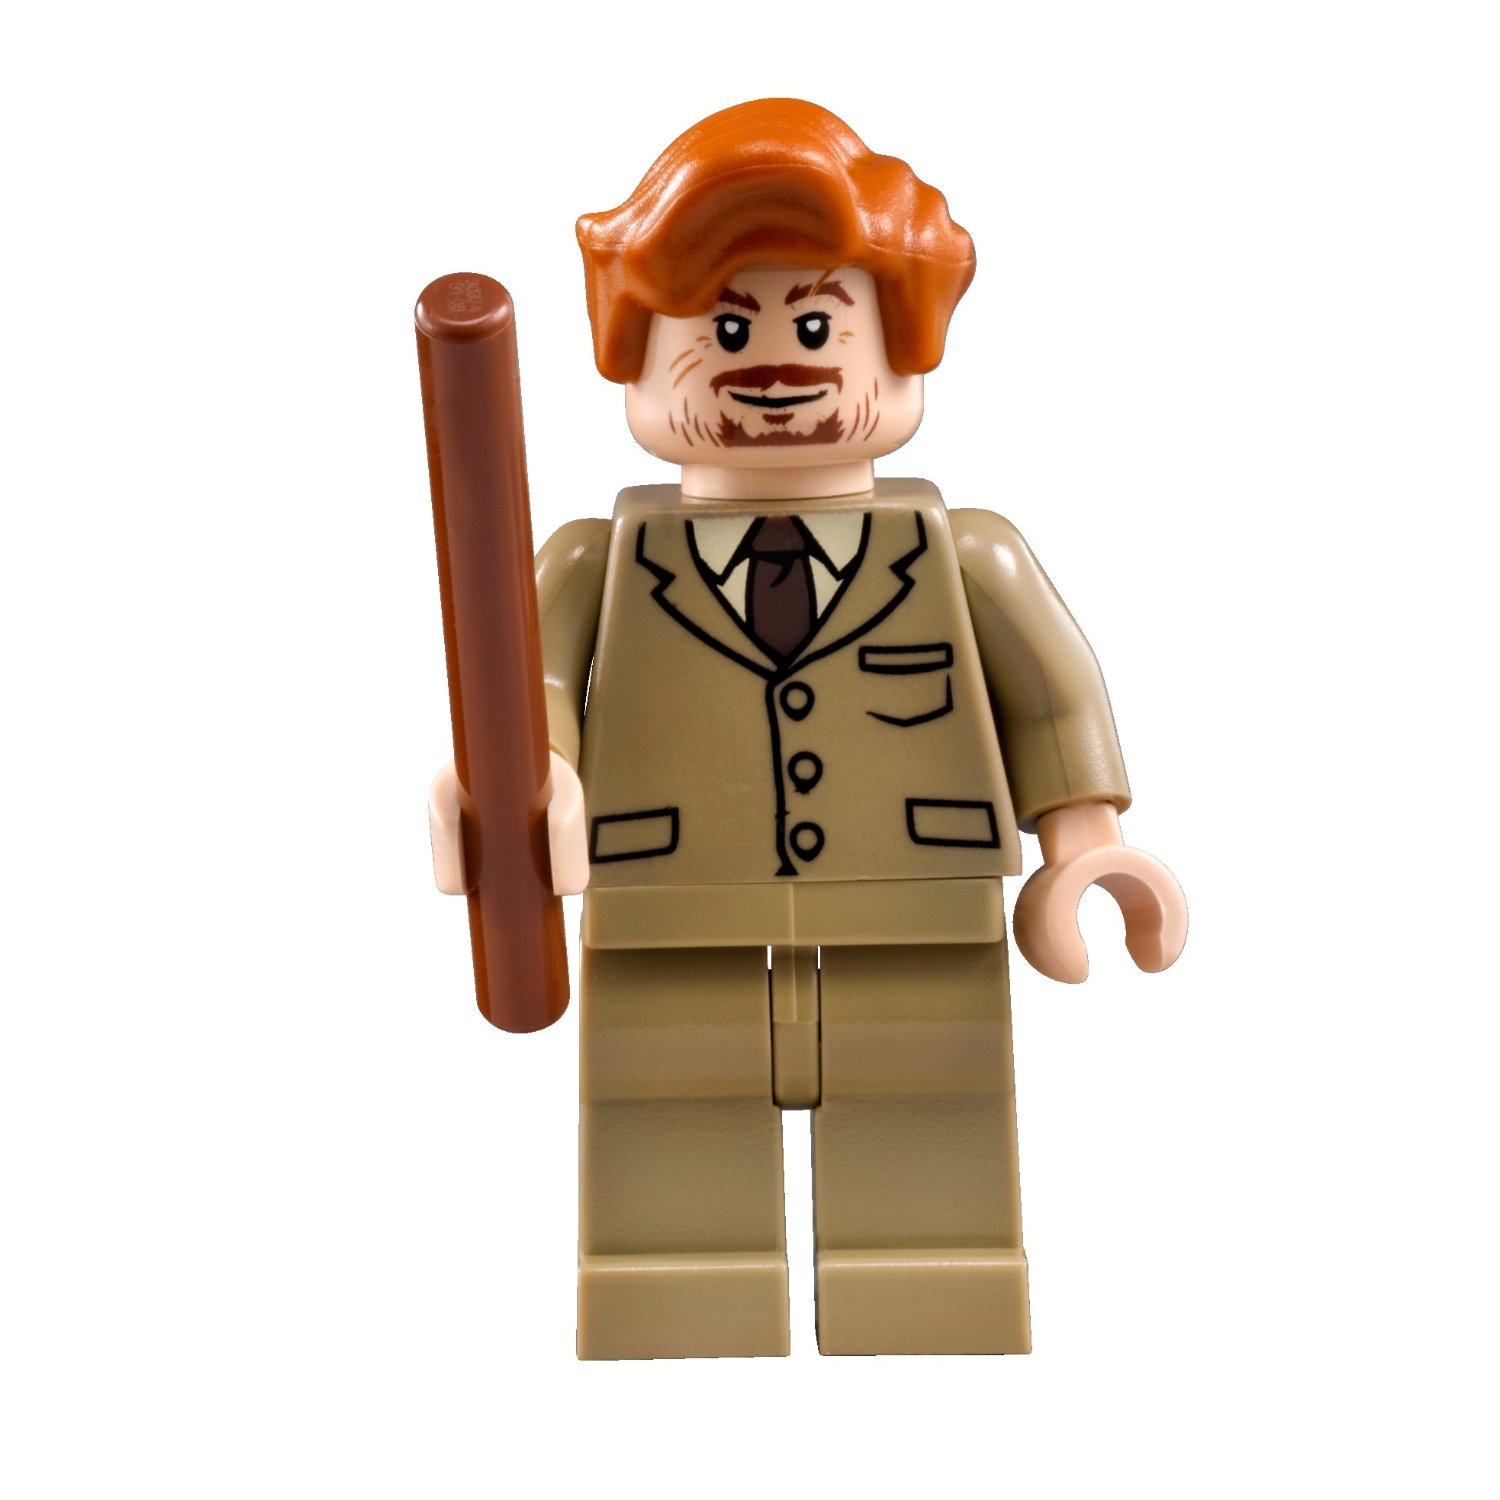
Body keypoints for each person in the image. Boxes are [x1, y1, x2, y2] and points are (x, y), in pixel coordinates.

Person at [429, 98, 1186, 1359]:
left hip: (918, 895)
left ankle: (933, 1281)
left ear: (903, 347)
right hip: (671, 900)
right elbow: (527, 697)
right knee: (666, 1111)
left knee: (931, 1098)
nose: (772, 364)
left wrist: (1085, 845)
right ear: (638, 351)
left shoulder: (967, 553)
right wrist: (521, 783)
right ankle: (672, 1288)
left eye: (819, 324)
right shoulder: (594, 563)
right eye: (725, 327)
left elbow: (1052, 696)